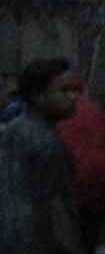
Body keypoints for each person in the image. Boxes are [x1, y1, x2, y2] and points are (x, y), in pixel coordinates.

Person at [0, 58, 84, 254]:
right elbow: (57, 209)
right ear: (39, 96)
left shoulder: (14, 127)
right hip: (37, 242)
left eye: (74, 90)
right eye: (64, 91)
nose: (73, 97)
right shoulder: (48, 144)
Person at [57, 75, 105, 254]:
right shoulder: (96, 113)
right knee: (89, 240)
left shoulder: (57, 113)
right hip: (99, 184)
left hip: (70, 186)